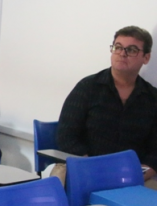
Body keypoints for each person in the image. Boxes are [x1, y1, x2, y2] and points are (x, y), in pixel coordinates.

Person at [55, 26, 157, 189]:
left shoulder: (152, 98)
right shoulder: (88, 87)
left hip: (132, 176)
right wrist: (94, 169)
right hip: (84, 169)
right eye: (118, 47)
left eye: (131, 50)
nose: (122, 53)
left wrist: (136, 174)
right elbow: (66, 136)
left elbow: (155, 151)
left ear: (146, 57)